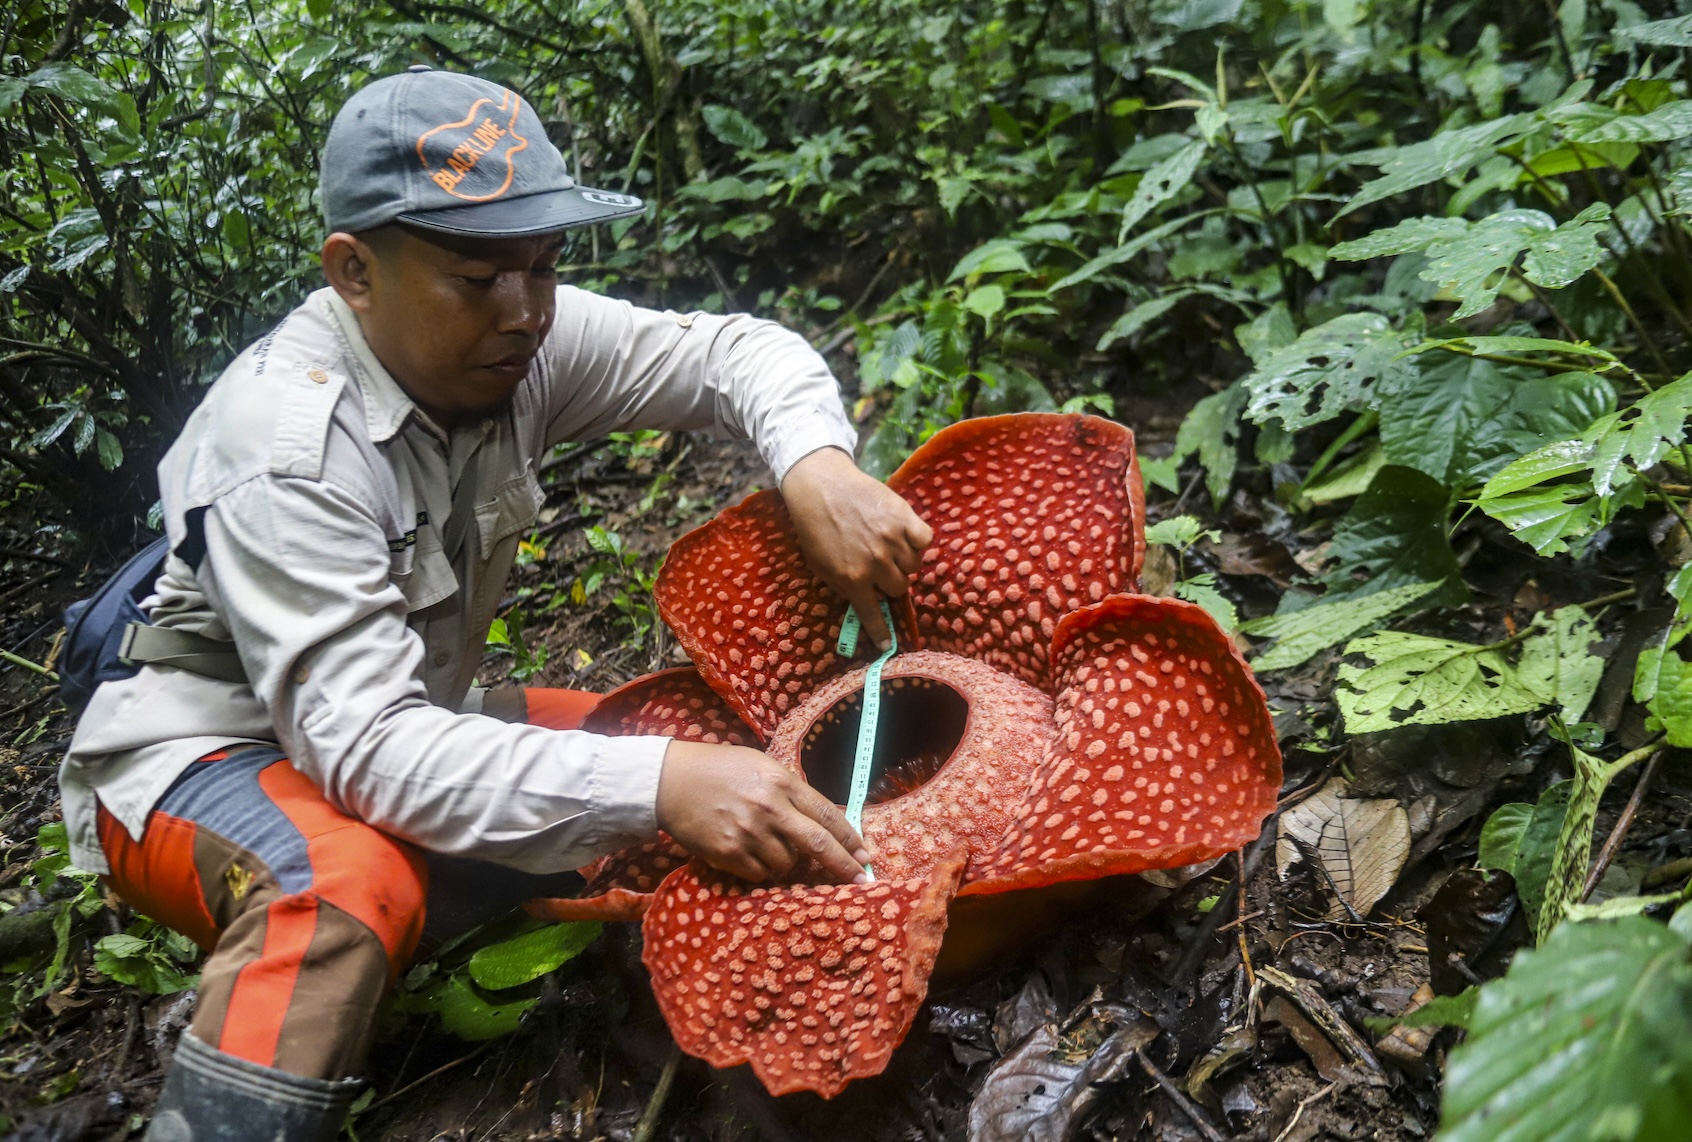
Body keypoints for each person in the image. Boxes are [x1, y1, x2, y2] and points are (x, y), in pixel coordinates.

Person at [58, 67, 933, 1142]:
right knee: (341, 884)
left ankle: (466, 914)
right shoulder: (284, 448)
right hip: (200, 752)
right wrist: (663, 787)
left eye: (545, 266)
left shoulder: (519, 344)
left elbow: (732, 351)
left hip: (399, 715)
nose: (525, 311)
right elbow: (373, 754)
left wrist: (818, 465)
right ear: (354, 271)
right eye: (479, 276)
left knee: (666, 735)